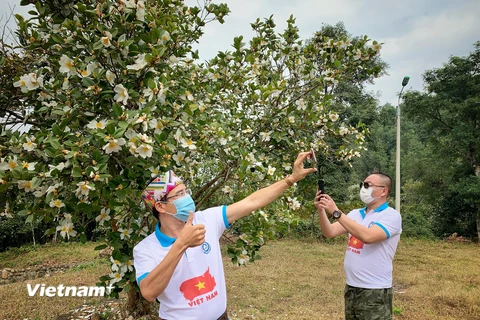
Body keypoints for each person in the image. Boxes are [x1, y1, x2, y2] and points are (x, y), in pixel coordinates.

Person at [133, 151, 316, 320]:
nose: (187, 198)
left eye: (186, 191)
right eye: (179, 194)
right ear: (161, 206)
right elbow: (149, 292)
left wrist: (290, 179)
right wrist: (181, 244)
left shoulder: (207, 219)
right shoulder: (145, 249)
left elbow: (252, 201)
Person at [314, 172, 402, 320]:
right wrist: (321, 210)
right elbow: (329, 232)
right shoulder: (355, 214)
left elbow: (368, 236)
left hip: (375, 290)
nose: (363, 188)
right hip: (351, 287)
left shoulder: (391, 216)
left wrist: (337, 212)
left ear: (384, 190)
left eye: (368, 185)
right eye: (362, 185)